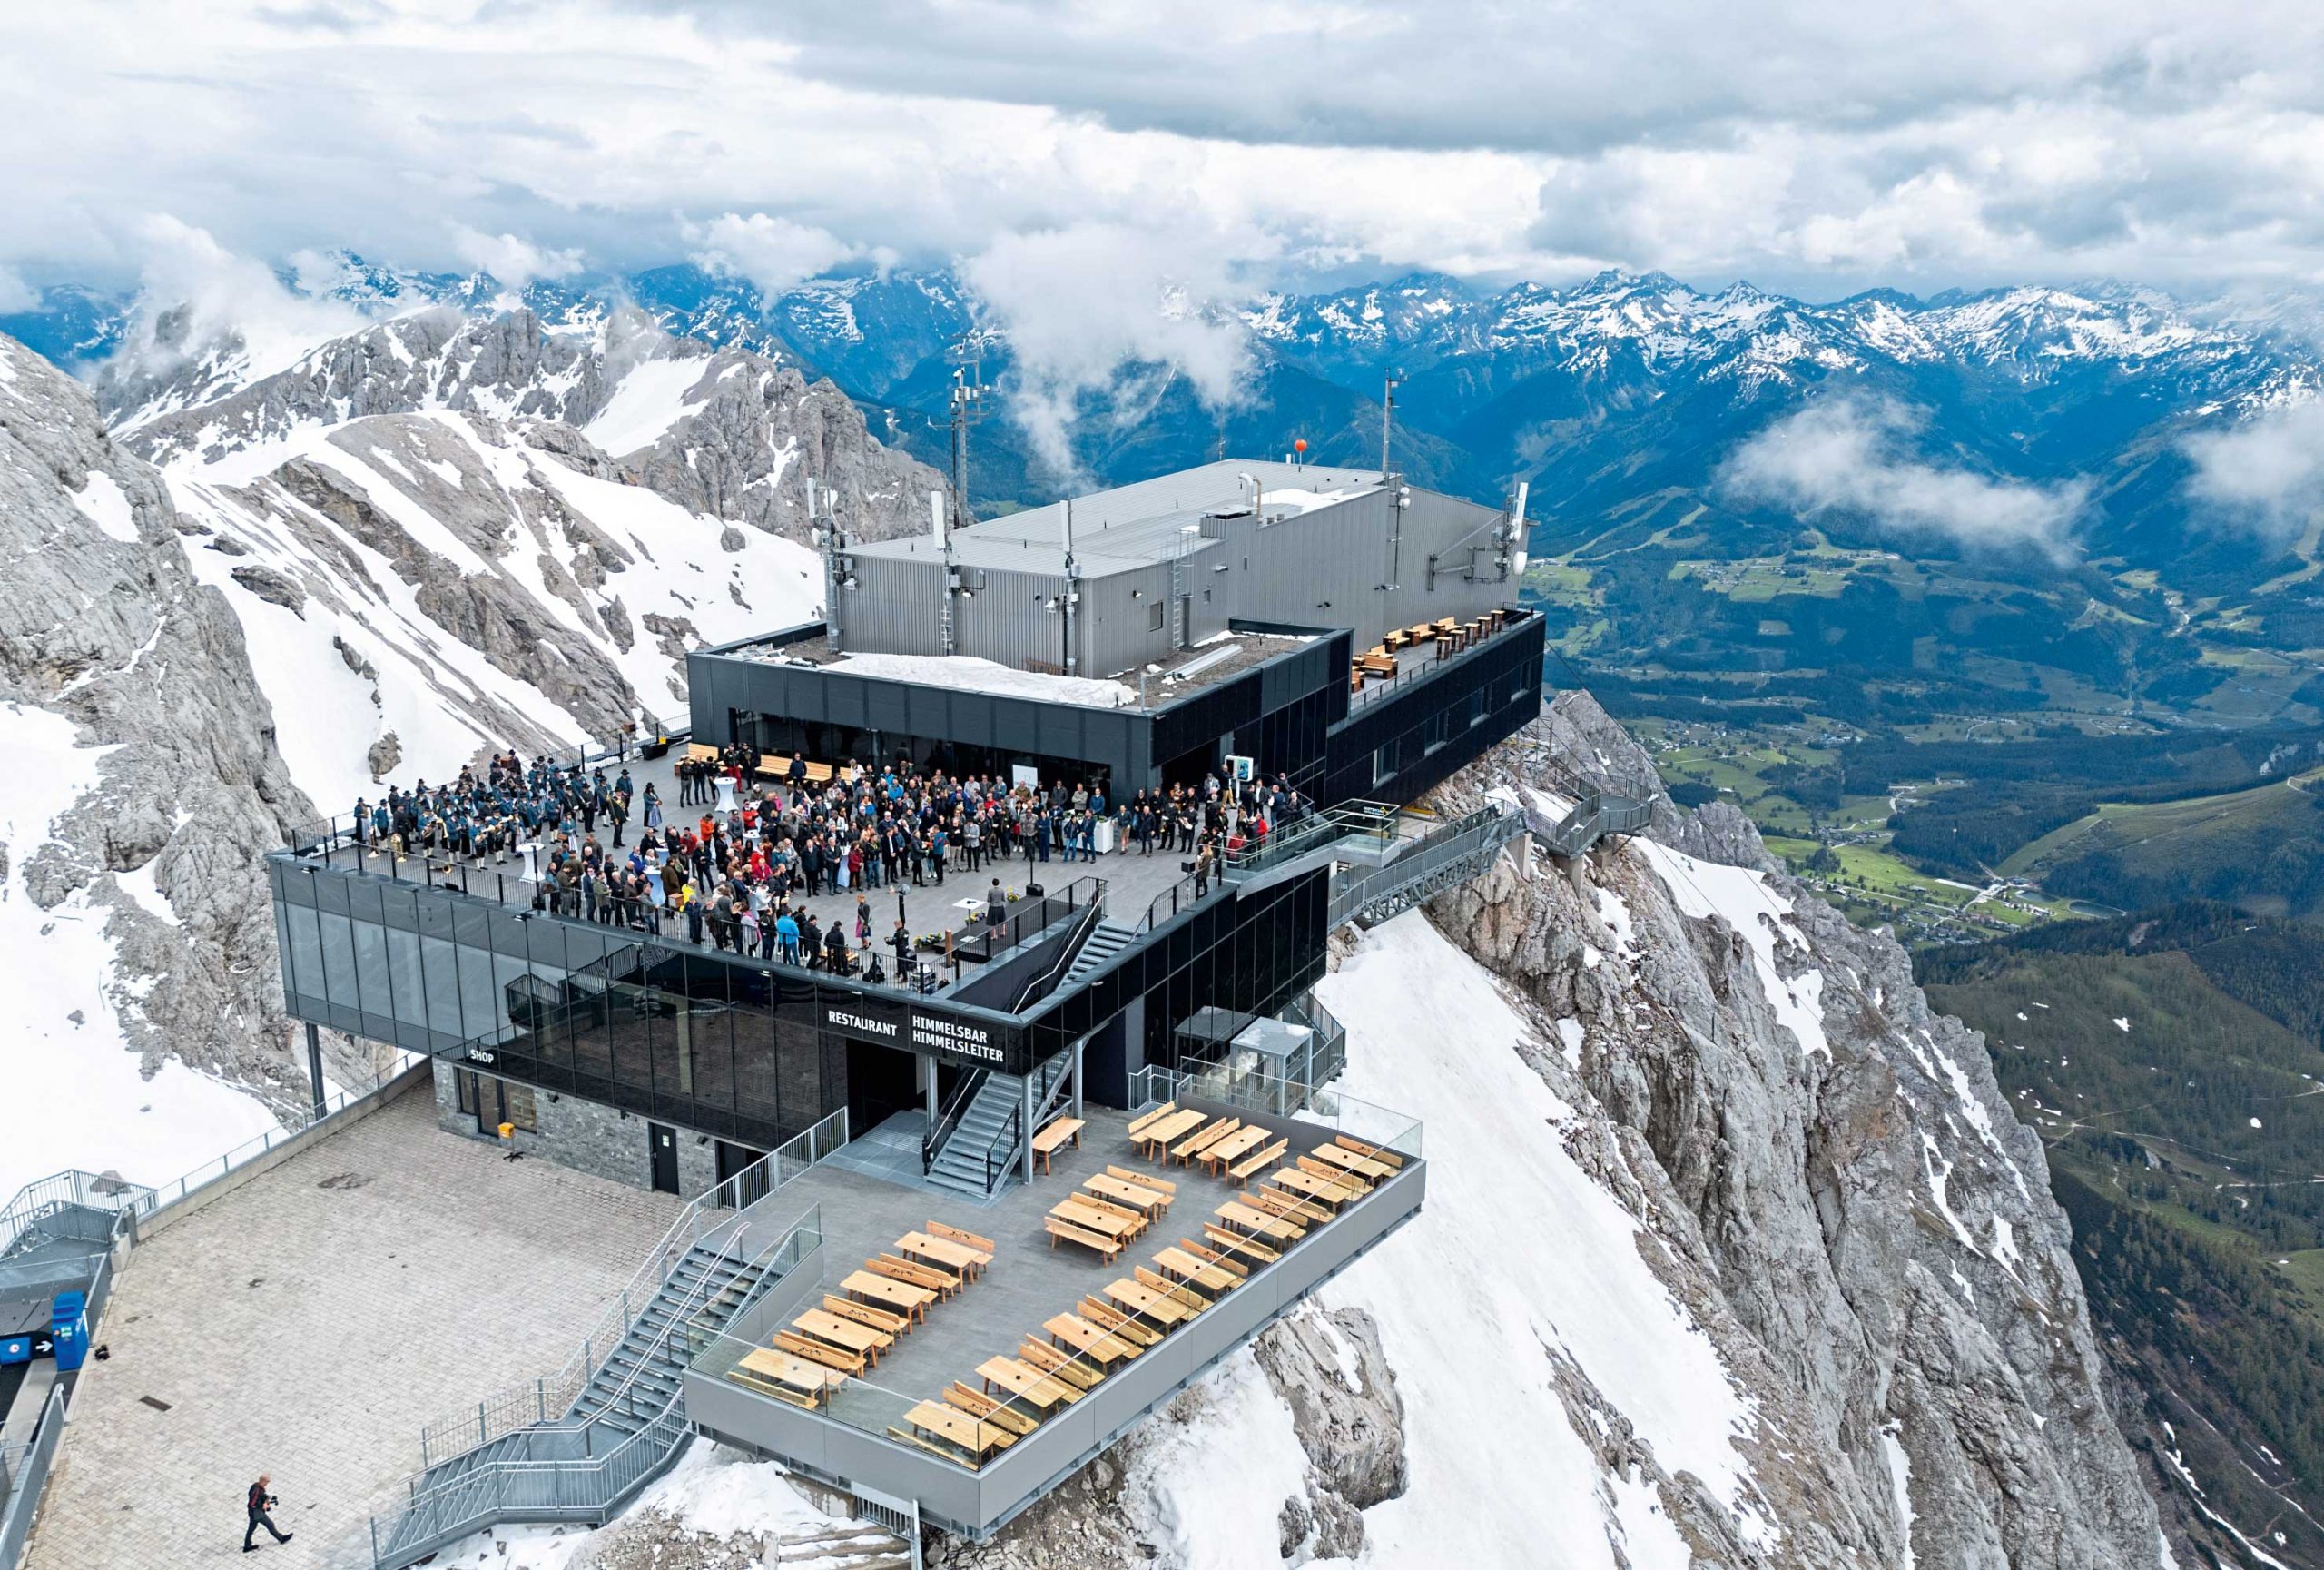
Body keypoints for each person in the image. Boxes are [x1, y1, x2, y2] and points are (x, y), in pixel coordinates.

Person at [243, 1475, 292, 1551]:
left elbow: (261, 1496)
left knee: (251, 1529)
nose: (267, 1483)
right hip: (257, 1513)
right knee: (270, 1524)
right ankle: (281, 1538)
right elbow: (252, 1504)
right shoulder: (257, 1490)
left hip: (253, 1513)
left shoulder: (257, 1487)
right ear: (263, 1481)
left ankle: (247, 1546)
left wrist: (269, 1498)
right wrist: (263, 1505)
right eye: (267, 1482)